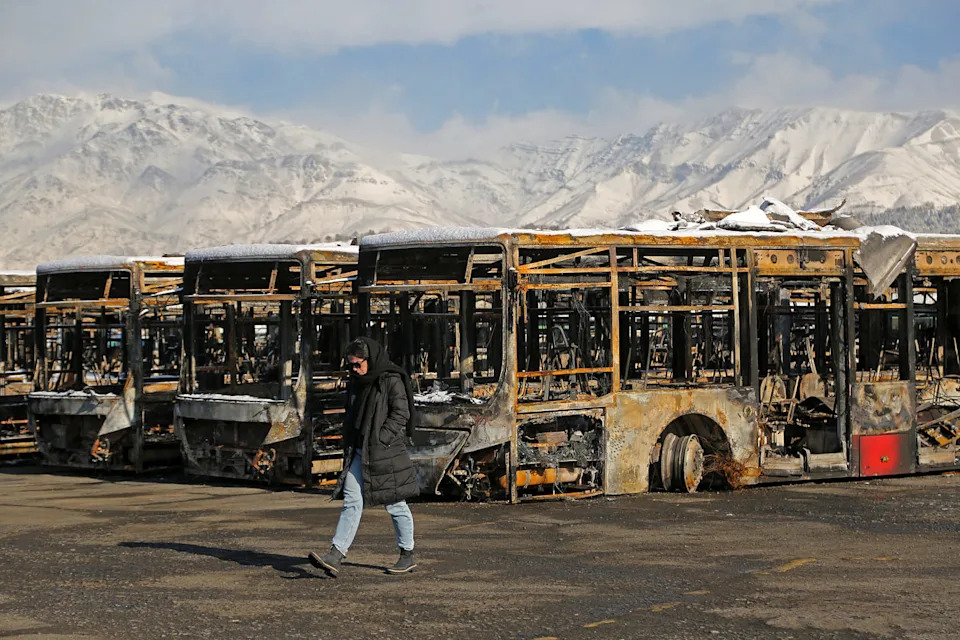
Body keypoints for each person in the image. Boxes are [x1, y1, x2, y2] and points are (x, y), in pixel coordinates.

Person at [308, 337, 419, 577]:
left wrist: (382, 437)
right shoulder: (356, 382)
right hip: (359, 451)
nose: (354, 370)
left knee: (395, 503)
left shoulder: (391, 379)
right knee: (352, 501)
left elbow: (402, 413)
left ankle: (407, 554)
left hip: (384, 452)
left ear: (371, 359)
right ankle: (336, 555)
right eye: (351, 365)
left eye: (358, 364)